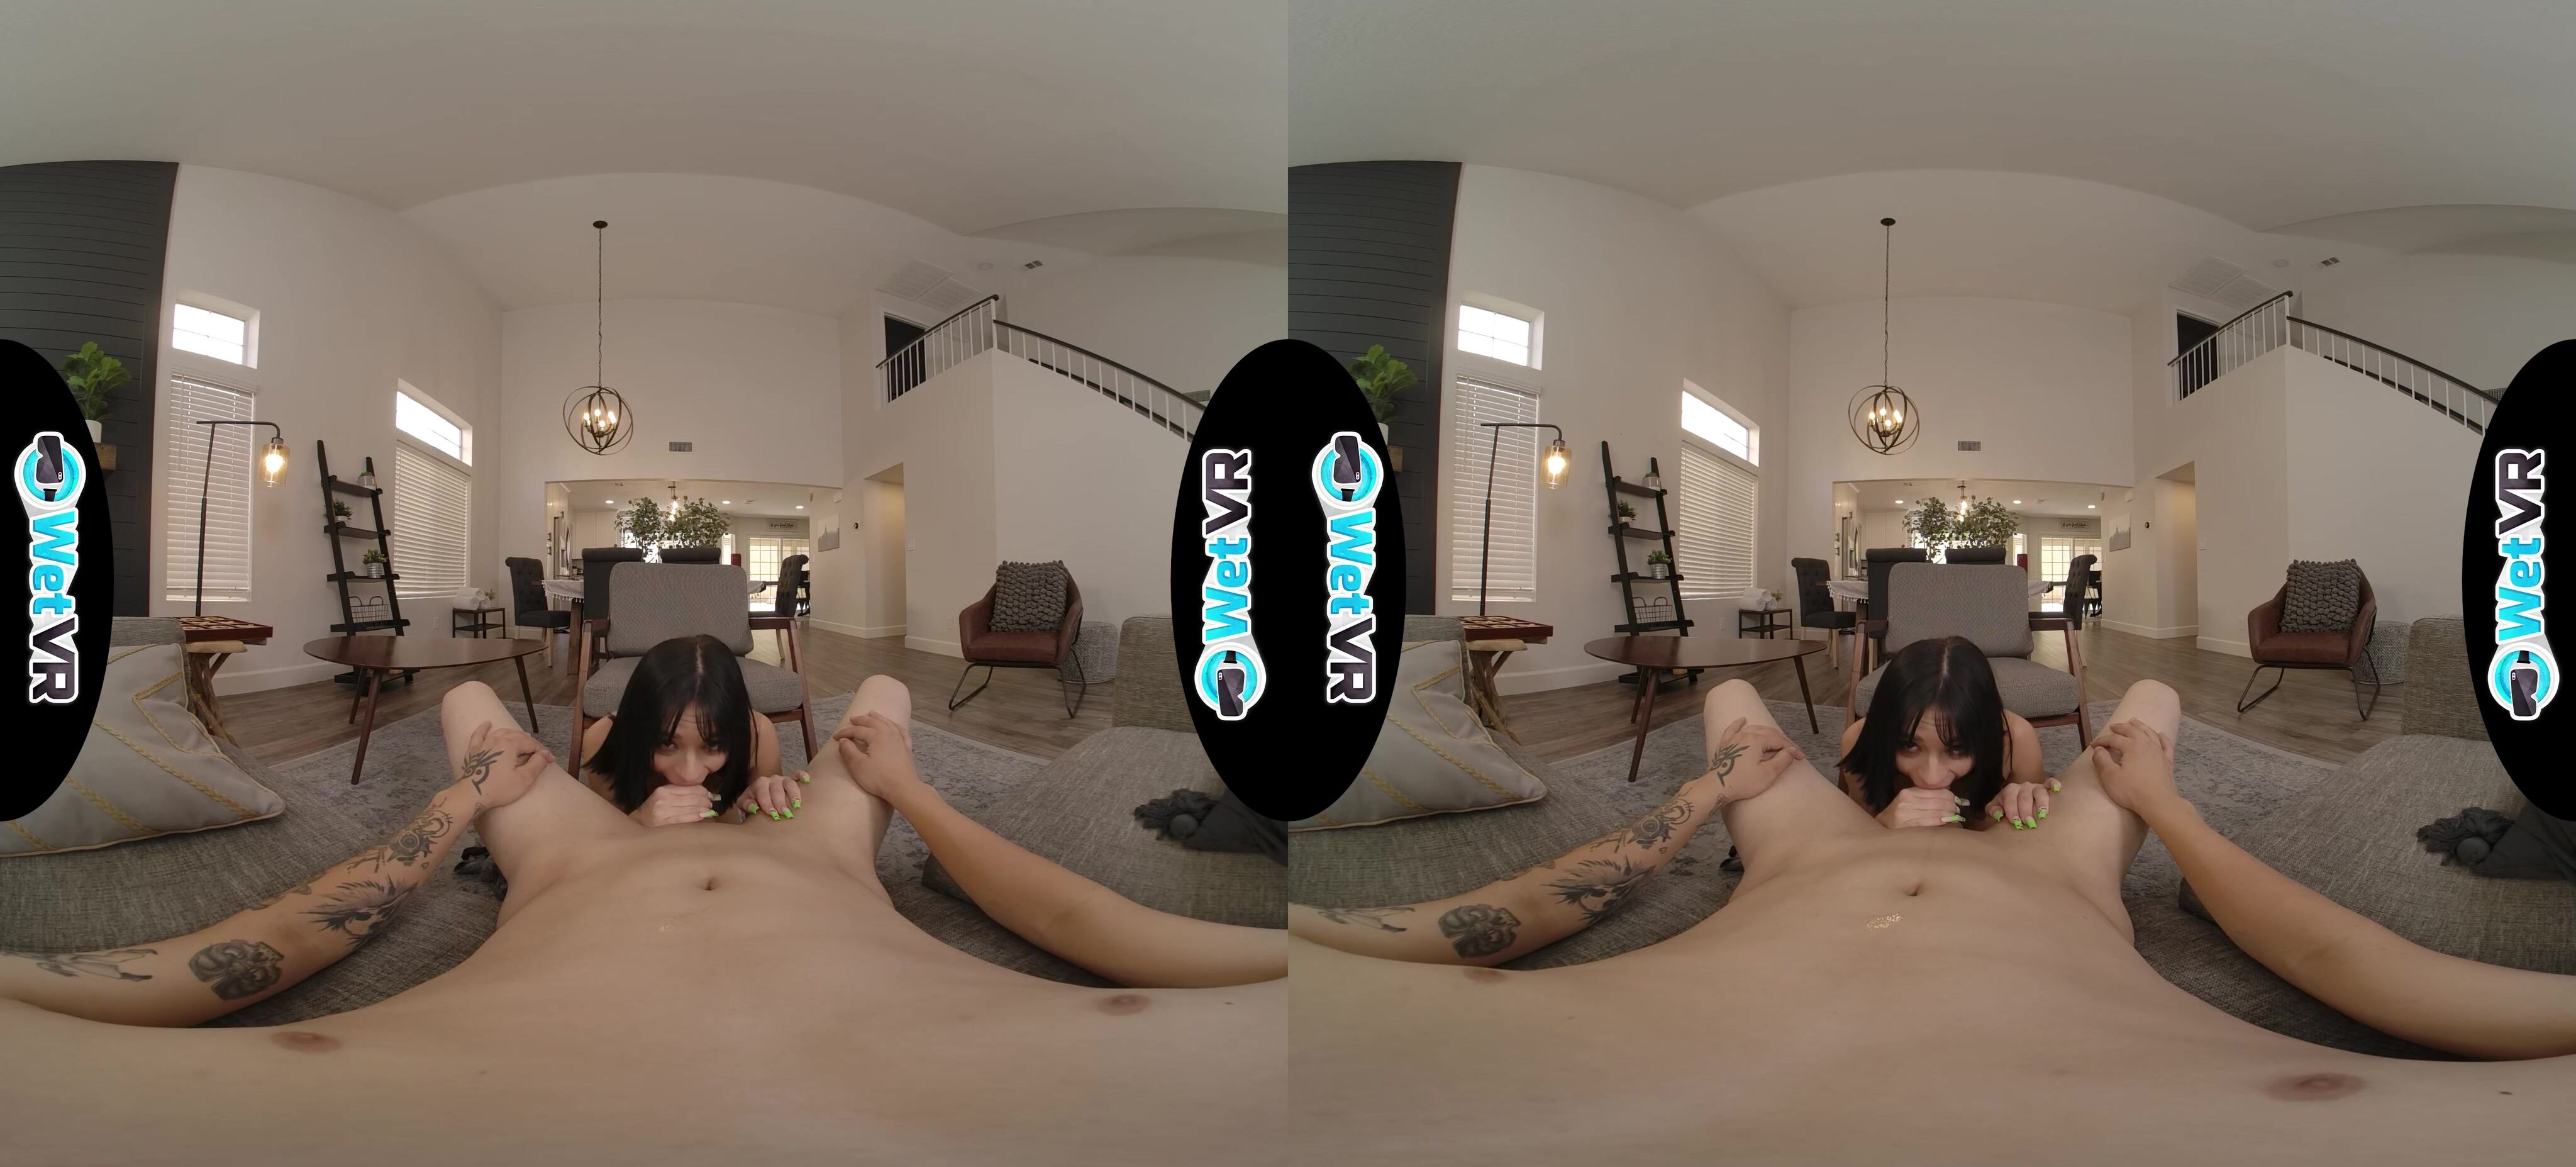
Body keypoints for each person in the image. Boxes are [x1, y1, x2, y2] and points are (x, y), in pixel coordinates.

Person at [1, 677, 1286, 1164]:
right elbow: (291, 929)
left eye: (712, 751)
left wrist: (897, 788)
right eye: (667, 749)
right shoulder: (572, 825)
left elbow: (1056, 900)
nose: (690, 771)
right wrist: (467, 802)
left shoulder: (817, 815)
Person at [1289, 677, 2573, 1161]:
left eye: (1963, 753)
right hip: (1596, 1073)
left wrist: (2150, 805)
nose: (1936, 774)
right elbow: (1517, 908)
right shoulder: (1806, 819)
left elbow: (2151, 703)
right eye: (1910, 750)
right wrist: (1706, 791)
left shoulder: (2058, 833)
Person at [578, 633, 803, 826]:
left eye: (713, 745)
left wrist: (772, 795)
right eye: (667, 743)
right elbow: (610, 840)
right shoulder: (603, 740)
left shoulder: (757, 734)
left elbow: (767, 839)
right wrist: (636, 823)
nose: (690, 774)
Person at [1838, 635, 2055, 832]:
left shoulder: (2016, 740)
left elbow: (2026, 844)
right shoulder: (1859, 741)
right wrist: (1881, 826)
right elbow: (1860, 834)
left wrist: (2007, 812)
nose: (1931, 778)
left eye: (1958, 749)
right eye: (1909, 745)